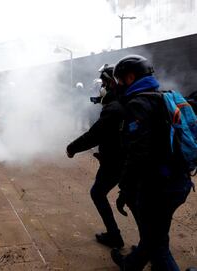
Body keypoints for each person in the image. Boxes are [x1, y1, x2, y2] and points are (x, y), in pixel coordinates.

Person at [110, 55, 193, 271]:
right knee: (155, 237)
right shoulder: (165, 97)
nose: (117, 85)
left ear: (130, 77)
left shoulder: (138, 104)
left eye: (119, 80)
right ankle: (131, 264)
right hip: (179, 181)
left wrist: (125, 189)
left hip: (158, 186)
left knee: (157, 245)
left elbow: (138, 153)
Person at [66, 64, 125, 249]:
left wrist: (73, 147)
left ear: (114, 82)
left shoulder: (115, 107)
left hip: (118, 161)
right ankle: (150, 245)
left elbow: (96, 134)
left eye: (106, 83)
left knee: (98, 193)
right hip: (128, 160)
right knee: (134, 201)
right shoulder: (126, 100)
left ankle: (116, 236)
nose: (103, 87)